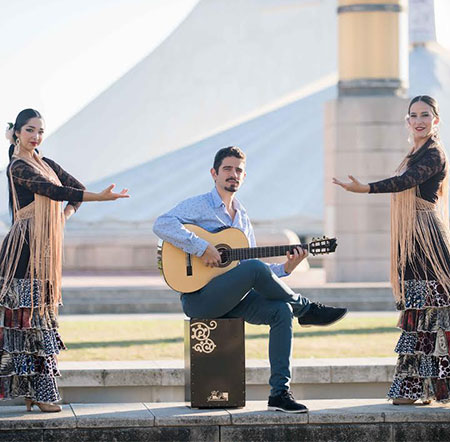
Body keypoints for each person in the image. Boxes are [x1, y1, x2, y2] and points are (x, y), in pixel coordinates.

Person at [153, 146, 347, 413]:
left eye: (239, 170)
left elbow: (252, 270)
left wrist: (287, 267)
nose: (234, 174)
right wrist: (201, 247)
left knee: (280, 311)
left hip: (233, 299)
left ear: (244, 176)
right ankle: (307, 309)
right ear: (214, 173)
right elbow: (161, 224)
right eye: (228, 169)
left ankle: (280, 394)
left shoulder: (242, 217)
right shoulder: (199, 204)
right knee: (259, 272)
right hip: (199, 299)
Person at [0, 109, 129, 412]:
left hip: (45, 250)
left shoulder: (47, 164)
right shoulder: (17, 167)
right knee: (22, 323)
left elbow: (75, 192)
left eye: (41, 131)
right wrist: (97, 198)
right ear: (17, 132)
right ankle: (37, 393)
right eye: (30, 130)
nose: (36, 136)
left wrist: (64, 217)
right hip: (22, 251)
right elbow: (53, 190)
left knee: (42, 319)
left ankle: (39, 392)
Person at [333, 95, 450, 405]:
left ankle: (433, 389)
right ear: (407, 121)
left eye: (426, 115)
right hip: (412, 239)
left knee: (436, 312)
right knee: (418, 312)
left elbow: (405, 182)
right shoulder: (415, 152)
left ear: (435, 120)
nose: (420, 120)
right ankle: (415, 389)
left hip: (428, 239)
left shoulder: (434, 154)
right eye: (414, 115)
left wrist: (365, 188)